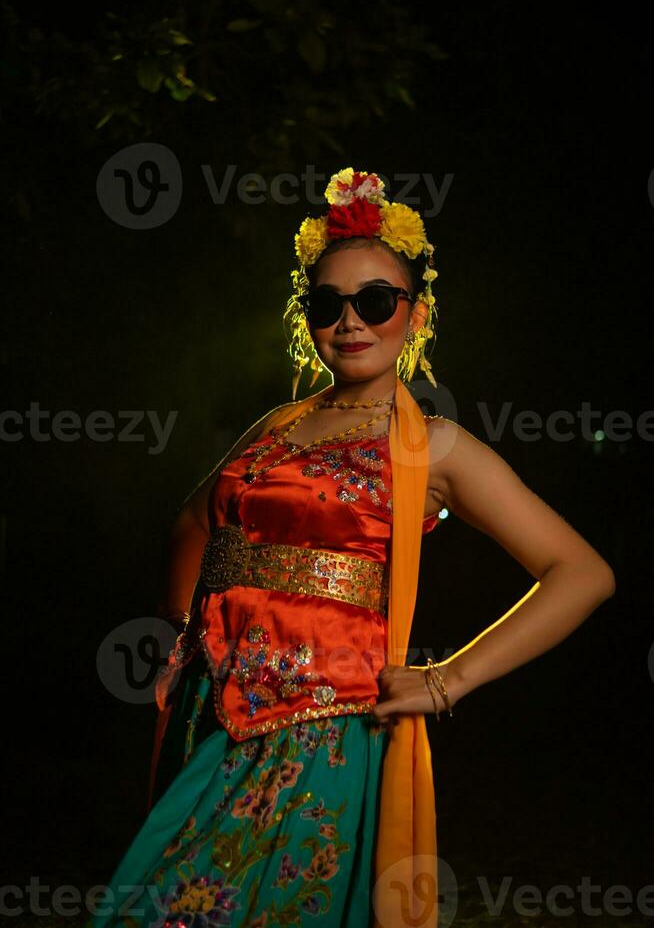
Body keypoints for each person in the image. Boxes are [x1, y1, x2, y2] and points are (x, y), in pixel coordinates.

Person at [89, 168, 615, 928]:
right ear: (307, 317)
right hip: (214, 718)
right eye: (328, 303)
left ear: (417, 314)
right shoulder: (274, 425)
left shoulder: (436, 449)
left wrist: (447, 680)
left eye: (376, 301)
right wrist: (186, 640)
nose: (351, 321)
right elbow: (193, 526)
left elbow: (583, 573)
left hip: (324, 733)